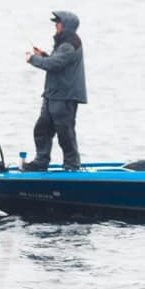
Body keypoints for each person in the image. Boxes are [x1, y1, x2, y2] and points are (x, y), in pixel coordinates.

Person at [23, 10, 87, 171]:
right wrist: (43, 55)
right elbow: (55, 61)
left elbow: (54, 64)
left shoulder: (69, 44)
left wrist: (34, 59)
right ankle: (40, 162)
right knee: (42, 129)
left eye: (58, 23)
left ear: (66, 25)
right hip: (53, 95)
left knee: (65, 132)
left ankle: (72, 165)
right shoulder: (64, 43)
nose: (56, 26)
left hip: (64, 97)